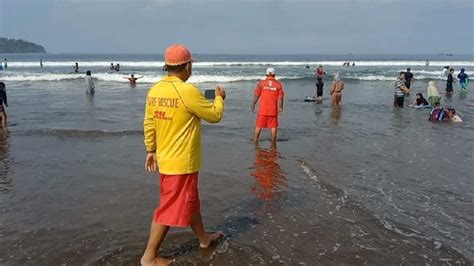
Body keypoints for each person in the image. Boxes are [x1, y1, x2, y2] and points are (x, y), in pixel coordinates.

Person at [142, 44, 225, 266]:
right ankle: (149, 257)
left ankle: (204, 239)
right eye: (191, 64)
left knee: (191, 202)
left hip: (166, 159)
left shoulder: (155, 90)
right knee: (168, 208)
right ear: (187, 66)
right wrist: (219, 97)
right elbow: (215, 116)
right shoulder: (187, 91)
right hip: (182, 163)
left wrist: (151, 149)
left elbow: (149, 123)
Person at [252, 67, 284, 147]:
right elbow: (280, 98)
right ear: (274, 74)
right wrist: (280, 107)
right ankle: (273, 143)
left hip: (262, 109)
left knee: (258, 126)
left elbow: (257, 95)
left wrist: (253, 103)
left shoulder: (261, 83)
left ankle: (255, 141)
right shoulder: (278, 84)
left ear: (266, 74)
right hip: (272, 110)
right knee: (273, 126)